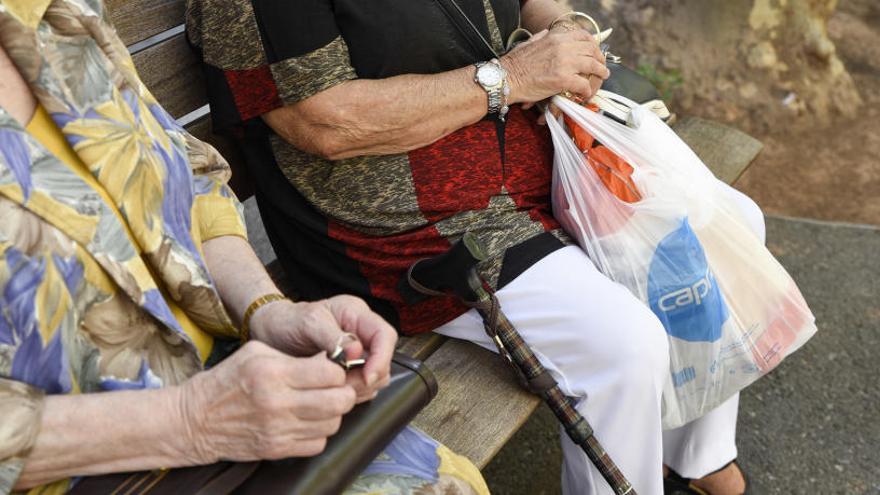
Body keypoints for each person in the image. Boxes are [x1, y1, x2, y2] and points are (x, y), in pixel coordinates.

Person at [187, 0, 763, 494]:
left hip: (533, 149)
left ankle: (698, 457)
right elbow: (325, 123)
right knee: (621, 343)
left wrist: (565, 30)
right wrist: (511, 78)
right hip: (396, 220)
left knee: (724, 223)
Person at [0, 1, 489, 494]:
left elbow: (191, 183)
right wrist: (190, 421)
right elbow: (325, 121)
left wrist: (268, 311)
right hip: (95, 467)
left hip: (231, 384)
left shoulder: (52, 13)